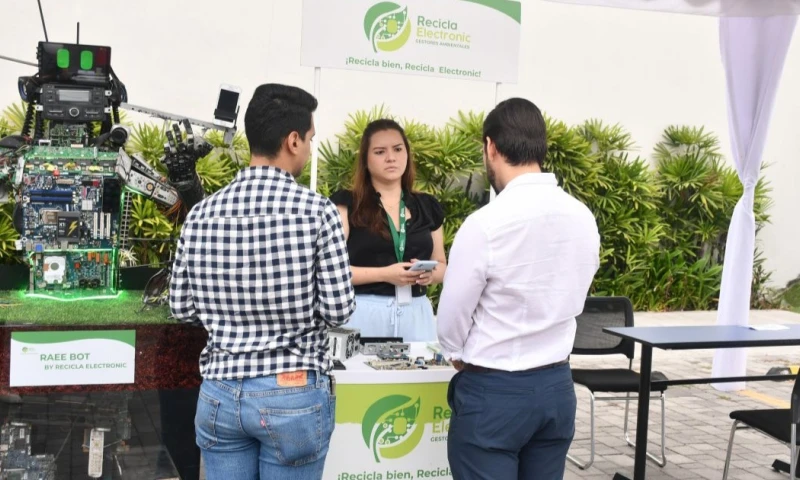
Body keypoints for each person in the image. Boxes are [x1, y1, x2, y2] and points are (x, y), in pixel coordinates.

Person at [169, 83, 355, 480]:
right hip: (293, 390)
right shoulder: (318, 212)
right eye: (309, 140)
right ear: (292, 141)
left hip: (220, 391)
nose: (308, 149)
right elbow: (339, 309)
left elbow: (181, 308)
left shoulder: (201, 214)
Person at [436, 97, 600, 480]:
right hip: (556, 386)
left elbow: (453, 311)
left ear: (491, 147)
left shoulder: (485, 223)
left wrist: (455, 352)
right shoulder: (582, 216)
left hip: (494, 391)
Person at [330, 119, 447, 342]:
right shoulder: (347, 204)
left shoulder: (427, 206)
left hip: (416, 312)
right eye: (380, 152)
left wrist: (429, 274)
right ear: (365, 159)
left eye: (398, 149)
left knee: (420, 365)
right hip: (363, 311)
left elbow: (442, 264)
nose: (391, 158)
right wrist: (385, 274)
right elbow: (332, 270)